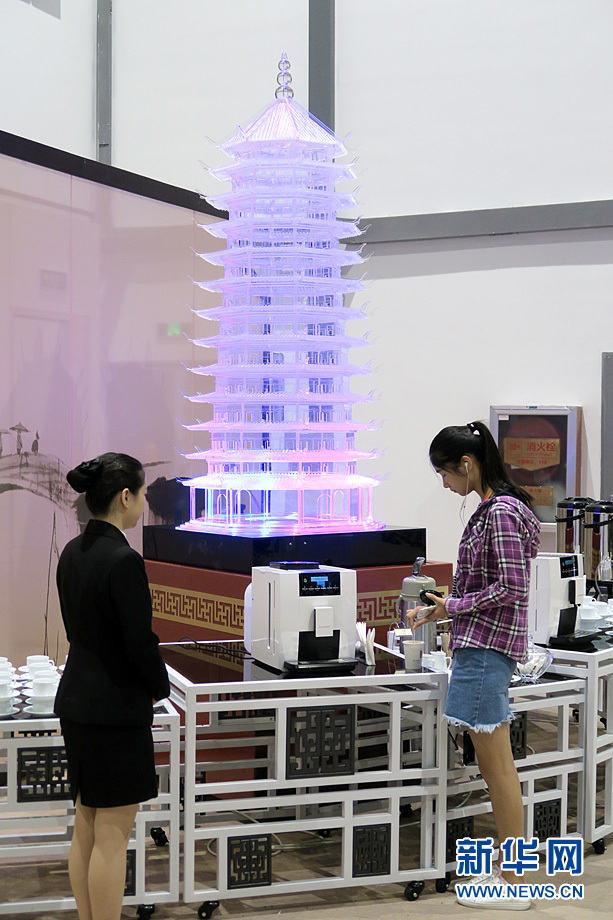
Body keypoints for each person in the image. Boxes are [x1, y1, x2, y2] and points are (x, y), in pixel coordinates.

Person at [408, 422, 540, 911]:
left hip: (486, 651)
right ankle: (511, 874)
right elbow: (495, 585)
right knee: (494, 766)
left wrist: (453, 607)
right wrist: (445, 608)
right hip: (481, 647)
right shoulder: (498, 509)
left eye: (444, 473)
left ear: (466, 464)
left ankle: (513, 880)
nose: (444, 483)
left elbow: (511, 588)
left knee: (498, 768)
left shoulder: (500, 511)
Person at [54, 453, 170, 920]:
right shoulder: (124, 560)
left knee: (86, 826)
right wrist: (160, 686)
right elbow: (138, 643)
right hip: (115, 711)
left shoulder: (72, 552)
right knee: (113, 835)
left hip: (78, 703)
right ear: (125, 496)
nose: (143, 502)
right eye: (141, 493)